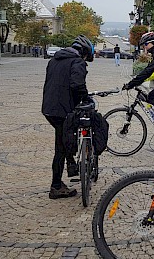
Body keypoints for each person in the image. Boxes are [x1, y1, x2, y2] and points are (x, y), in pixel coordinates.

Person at [41, 35, 95, 199]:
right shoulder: (77, 62)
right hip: (63, 110)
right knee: (61, 148)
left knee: (64, 138)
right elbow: (77, 84)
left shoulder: (54, 60)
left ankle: (71, 164)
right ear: (84, 52)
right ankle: (56, 186)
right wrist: (86, 98)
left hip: (49, 108)